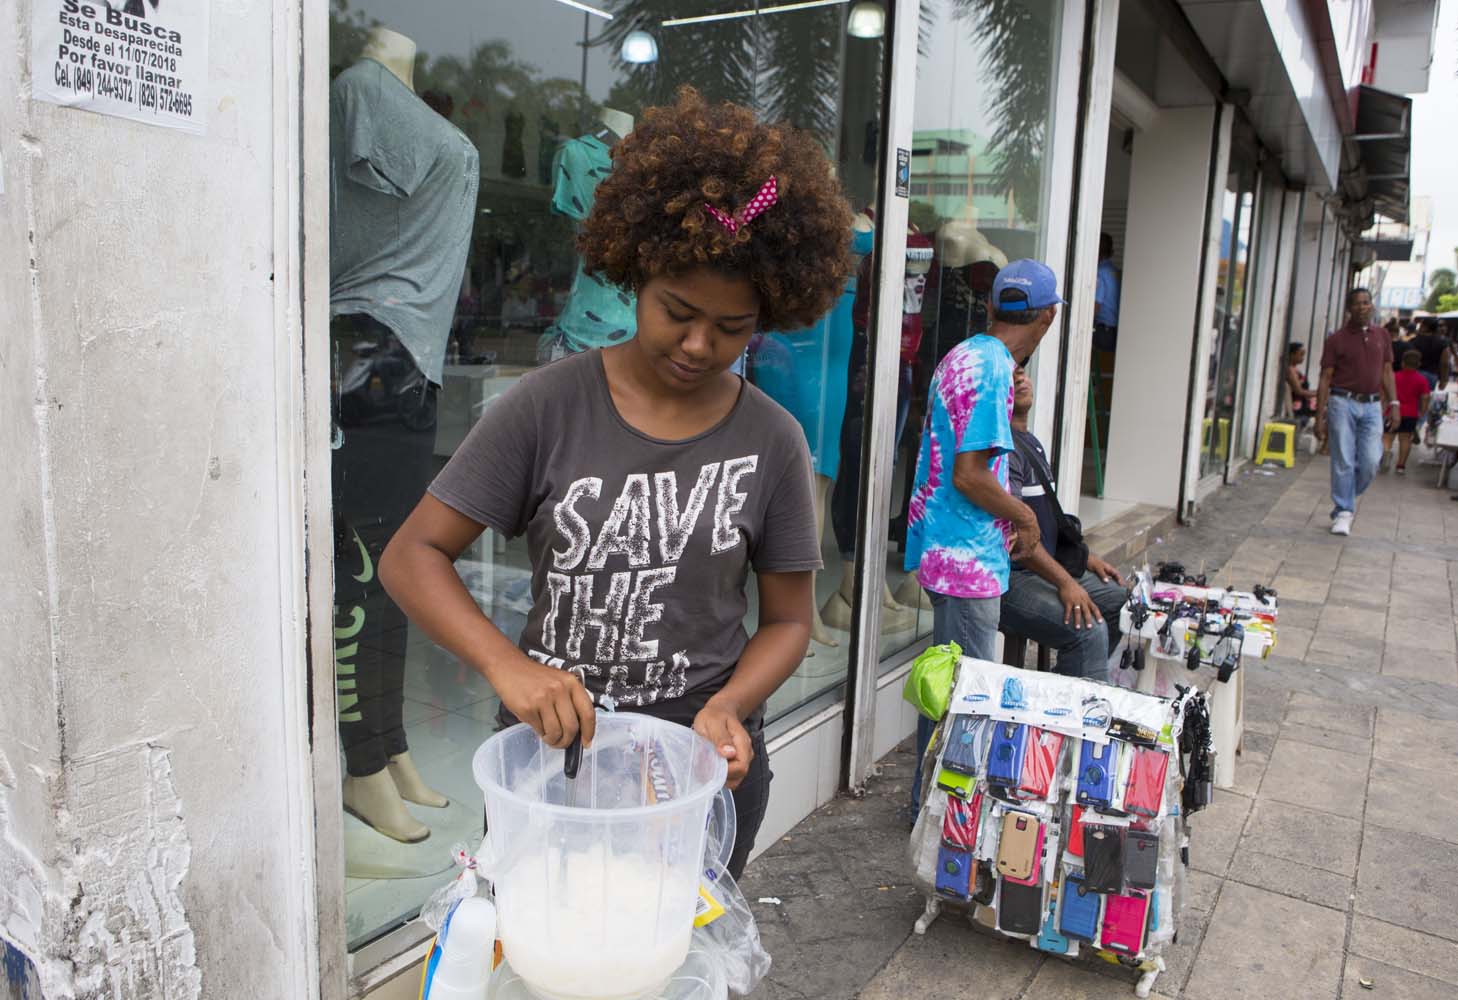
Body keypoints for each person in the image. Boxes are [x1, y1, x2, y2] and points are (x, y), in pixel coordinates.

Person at [377, 88, 854, 877]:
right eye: (677, 310)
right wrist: (508, 666)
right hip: (551, 767)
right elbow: (412, 555)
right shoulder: (548, 405)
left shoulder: (772, 438)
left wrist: (731, 707)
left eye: (732, 328)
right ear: (636, 271)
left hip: (699, 772)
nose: (699, 344)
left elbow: (789, 622)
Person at [904, 258, 1063, 810]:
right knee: (969, 703)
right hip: (967, 562)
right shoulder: (992, 368)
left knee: (945, 691)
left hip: (947, 551)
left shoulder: (967, 354)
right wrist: (1022, 516)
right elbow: (969, 474)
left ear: (993, 306)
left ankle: (929, 805)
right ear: (1047, 318)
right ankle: (950, 818)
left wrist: (1018, 414)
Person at [1000, 365, 1127, 680]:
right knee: (1089, 630)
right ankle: (1076, 714)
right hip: (1012, 579)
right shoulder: (1005, 449)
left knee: (1120, 603)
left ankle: (1077, 680)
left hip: (1043, 568)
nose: (1020, 378)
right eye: (1010, 375)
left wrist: (1086, 559)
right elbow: (1020, 542)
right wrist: (1067, 582)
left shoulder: (1031, 443)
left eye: (1024, 372)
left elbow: (1047, 522)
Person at [1316, 288, 1397, 536]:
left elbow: (1386, 371)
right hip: (1342, 401)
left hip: (1373, 405)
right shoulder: (1336, 339)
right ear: (1349, 308)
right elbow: (1325, 377)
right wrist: (1319, 415)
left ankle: (1345, 499)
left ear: (1372, 305)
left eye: (1367, 302)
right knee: (1343, 459)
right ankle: (1344, 511)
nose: (1363, 307)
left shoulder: (1382, 335)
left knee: (1372, 460)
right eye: (1358, 303)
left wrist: (1394, 404)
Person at [1384, 349, 1431, 475]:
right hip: (1410, 413)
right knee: (1405, 439)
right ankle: (1400, 466)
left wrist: (1384, 408)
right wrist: (1422, 411)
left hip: (1392, 411)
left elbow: (1385, 393)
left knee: (1388, 437)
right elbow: (1425, 397)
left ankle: (1385, 458)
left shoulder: (1394, 376)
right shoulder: (1421, 380)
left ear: (1403, 363)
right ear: (1418, 364)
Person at [1093, 232, 1120, 353]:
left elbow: (1096, 306)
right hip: (1116, 333)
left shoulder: (1100, 273)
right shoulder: (1115, 272)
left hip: (1104, 334)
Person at [1285, 342, 1318, 421]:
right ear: (1292, 354)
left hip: (1304, 403)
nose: (1303, 357)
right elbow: (1299, 391)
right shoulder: (1290, 370)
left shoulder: (1295, 370)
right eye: (1301, 354)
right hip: (1299, 406)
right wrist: (1319, 393)